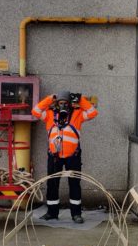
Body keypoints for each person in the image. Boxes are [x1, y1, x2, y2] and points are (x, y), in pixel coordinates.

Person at [32, 90, 98, 222]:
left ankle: (76, 214)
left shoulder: (77, 114)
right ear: (56, 104)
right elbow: (35, 111)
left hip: (73, 156)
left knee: (74, 184)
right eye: (60, 103)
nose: (63, 105)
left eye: (65, 103)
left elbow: (93, 112)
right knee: (52, 184)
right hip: (54, 156)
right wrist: (51, 98)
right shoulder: (50, 115)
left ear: (69, 104)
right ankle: (52, 213)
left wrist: (80, 100)